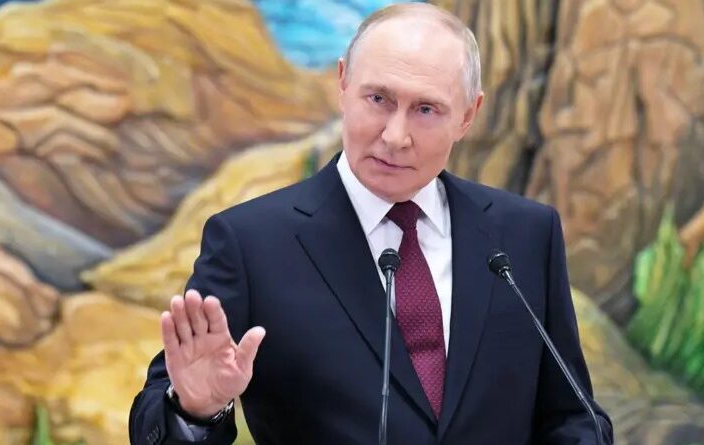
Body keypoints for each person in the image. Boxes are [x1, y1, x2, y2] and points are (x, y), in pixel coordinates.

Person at [129, 3, 613, 444]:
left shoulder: (524, 235)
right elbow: (156, 421)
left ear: (468, 115)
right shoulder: (250, 243)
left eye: (426, 109)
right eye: (378, 99)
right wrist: (195, 408)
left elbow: (572, 416)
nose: (395, 136)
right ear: (342, 84)